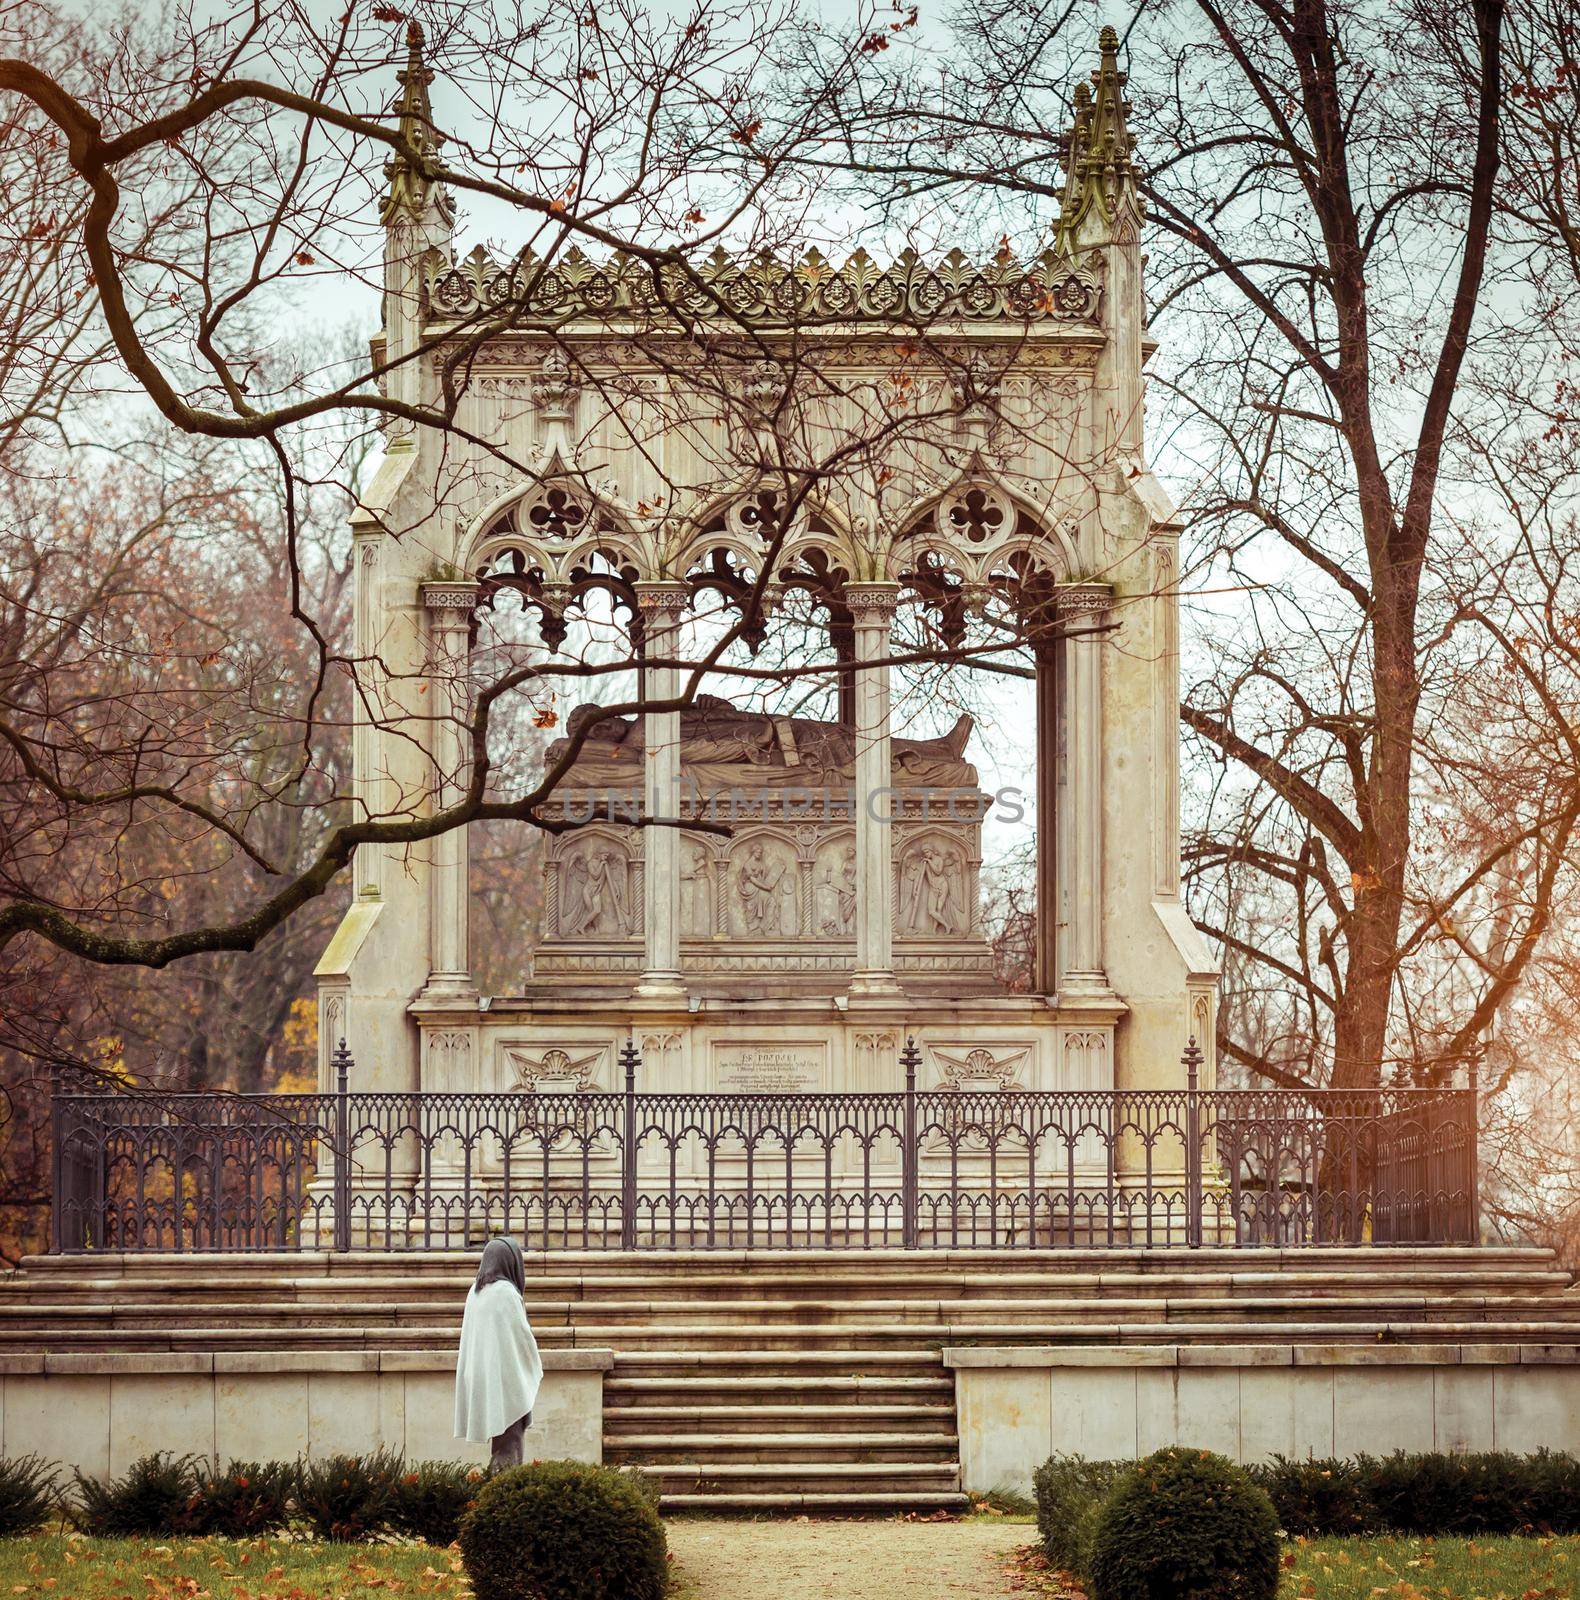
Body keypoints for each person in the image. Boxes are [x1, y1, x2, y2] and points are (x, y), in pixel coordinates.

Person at [454, 1236, 543, 1470]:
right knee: (510, 1445)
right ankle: (504, 1493)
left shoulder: (475, 1292)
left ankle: (498, 1487)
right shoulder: (506, 1293)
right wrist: (532, 1363)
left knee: (502, 1444)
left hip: (484, 1376)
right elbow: (521, 1338)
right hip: (506, 1379)